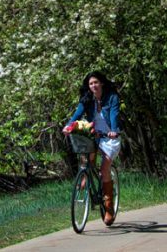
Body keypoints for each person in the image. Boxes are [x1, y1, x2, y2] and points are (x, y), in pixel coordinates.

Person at [62, 71, 121, 225]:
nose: (93, 85)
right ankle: (85, 180)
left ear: (101, 83)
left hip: (109, 137)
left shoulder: (112, 97)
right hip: (93, 136)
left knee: (104, 169)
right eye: (90, 83)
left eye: (96, 82)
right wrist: (69, 125)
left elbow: (114, 115)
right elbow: (77, 114)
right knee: (86, 163)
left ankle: (108, 208)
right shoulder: (86, 99)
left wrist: (114, 130)